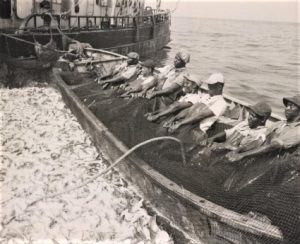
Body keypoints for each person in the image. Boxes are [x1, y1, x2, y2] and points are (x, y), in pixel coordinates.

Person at [227, 95, 300, 162]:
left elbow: (275, 145)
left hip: (279, 164)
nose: (287, 108)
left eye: (291, 106)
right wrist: (239, 150)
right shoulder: (278, 124)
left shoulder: (298, 130)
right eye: (287, 106)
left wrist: (243, 155)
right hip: (265, 158)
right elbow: (259, 141)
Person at [165, 73, 228, 142]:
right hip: (186, 123)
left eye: (211, 86)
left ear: (219, 87)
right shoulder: (206, 96)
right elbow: (189, 110)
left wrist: (180, 124)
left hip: (195, 130)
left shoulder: (221, 103)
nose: (208, 87)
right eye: (208, 85)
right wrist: (175, 118)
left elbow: (200, 115)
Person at [199, 102, 272, 158]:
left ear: (263, 119)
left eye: (253, 116)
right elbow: (227, 133)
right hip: (221, 150)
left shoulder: (262, 133)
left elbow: (251, 149)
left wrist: (228, 147)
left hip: (231, 157)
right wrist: (213, 138)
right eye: (249, 114)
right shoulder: (245, 124)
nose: (249, 117)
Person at [144, 74, 210, 122]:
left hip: (176, 118)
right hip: (172, 114)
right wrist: (154, 113)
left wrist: (157, 115)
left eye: (187, 83)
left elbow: (176, 106)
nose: (184, 85)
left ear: (194, 85)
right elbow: (172, 106)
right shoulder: (188, 94)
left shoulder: (195, 97)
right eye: (185, 83)